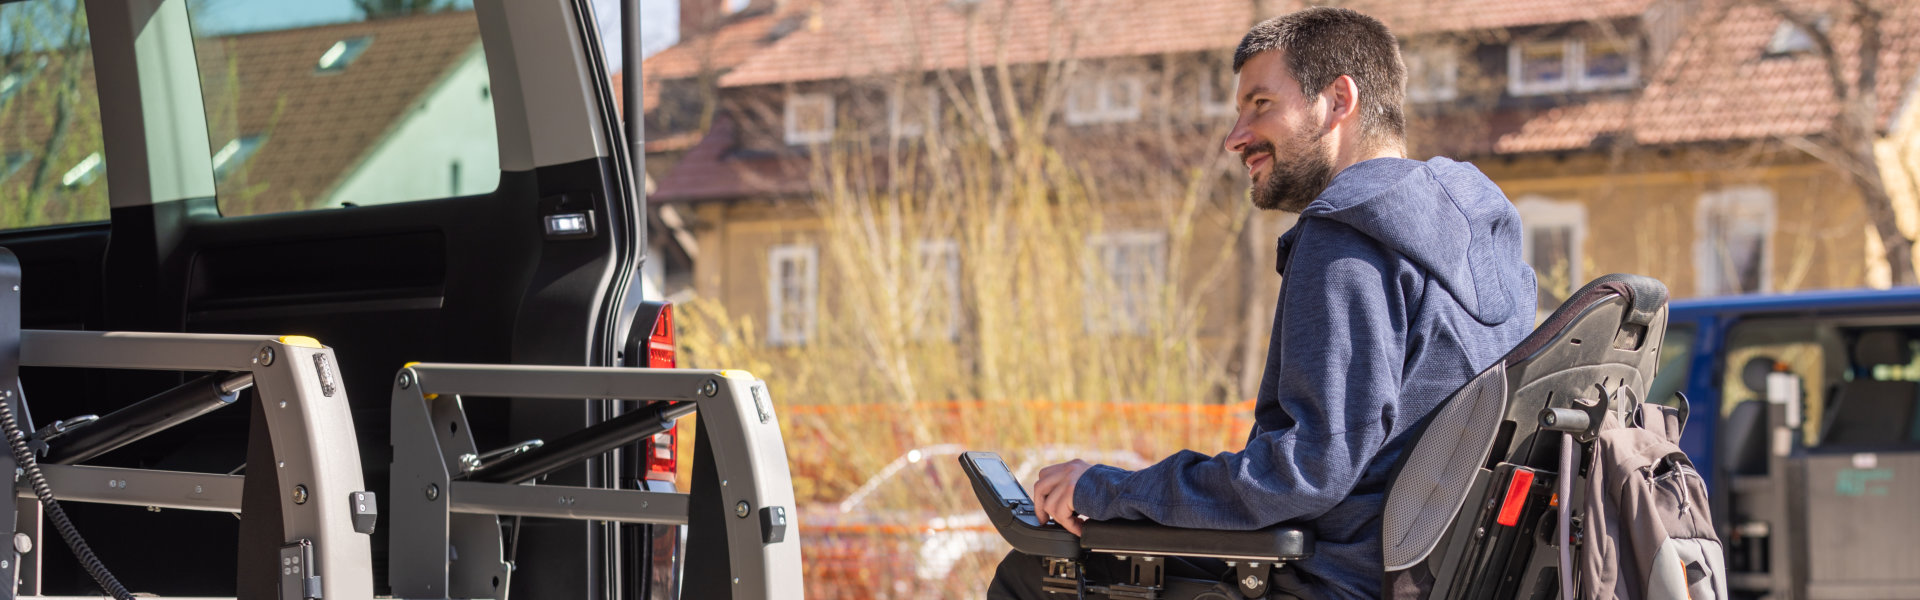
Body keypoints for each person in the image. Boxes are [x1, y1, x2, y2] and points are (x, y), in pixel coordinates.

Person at [987, 7, 1538, 599]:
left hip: (1333, 582)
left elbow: (1305, 472)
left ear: (1338, 100)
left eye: (1261, 105)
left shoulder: (1346, 237)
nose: (1235, 137)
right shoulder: (1483, 238)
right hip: (1438, 578)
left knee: (1032, 575)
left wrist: (1105, 489)